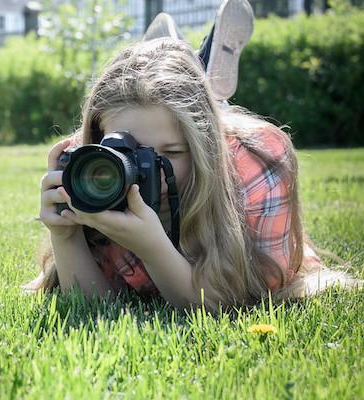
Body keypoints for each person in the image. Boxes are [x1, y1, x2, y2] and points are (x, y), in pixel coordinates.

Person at [22, 4, 361, 313]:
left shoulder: (259, 163)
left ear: (204, 149)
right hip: (175, 120)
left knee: (198, 111)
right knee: (166, 110)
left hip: (218, 141)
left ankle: (203, 80)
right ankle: (184, 64)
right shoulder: (95, 170)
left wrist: (152, 247)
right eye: (130, 152)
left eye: (171, 153)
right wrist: (65, 234)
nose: (148, 169)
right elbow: (95, 308)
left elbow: (228, 307)